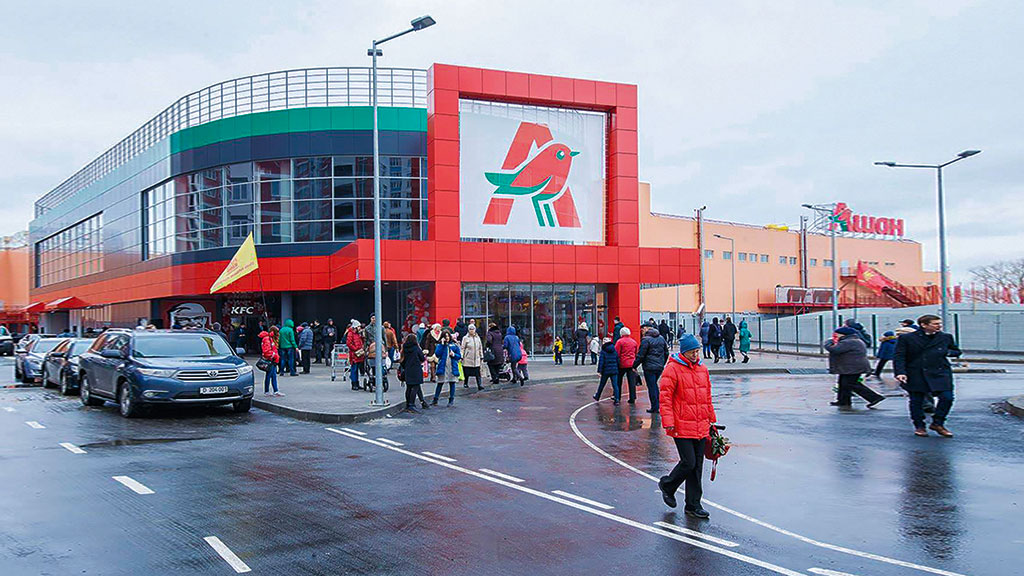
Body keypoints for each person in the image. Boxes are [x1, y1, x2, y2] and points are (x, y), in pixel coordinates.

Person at [657, 333, 716, 518]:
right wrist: (668, 421)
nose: (695, 355)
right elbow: (665, 398)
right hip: (681, 424)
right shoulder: (672, 369)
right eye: (692, 352)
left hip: (701, 424)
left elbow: (707, 397)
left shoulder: (702, 369)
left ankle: (693, 504)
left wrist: (711, 418)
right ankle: (668, 485)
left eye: (697, 351)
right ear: (683, 352)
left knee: (697, 466)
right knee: (688, 462)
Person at [893, 314, 961, 438]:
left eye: (939, 323)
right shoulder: (907, 338)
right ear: (924, 325)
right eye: (935, 324)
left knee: (947, 398)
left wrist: (947, 352)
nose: (939, 326)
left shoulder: (945, 337)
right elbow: (899, 356)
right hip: (916, 372)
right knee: (917, 401)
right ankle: (919, 426)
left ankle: (938, 423)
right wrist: (900, 372)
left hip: (940, 371)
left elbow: (956, 351)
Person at [825, 326, 885, 408]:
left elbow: (835, 349)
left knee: (851, 384)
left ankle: (874, 397)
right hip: (850, 367)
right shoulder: (853, 340)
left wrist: (828, 342)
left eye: (837, 334)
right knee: (843, 383)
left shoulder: (849, 342)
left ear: (843, 334)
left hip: (852, 367)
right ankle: (843, 401)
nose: (835, 335)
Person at [634, 326, 668, 413]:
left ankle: (655, 407)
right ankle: (658, 405)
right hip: (659, 367)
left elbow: (641, 355)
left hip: (649, 367)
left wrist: (634, 366)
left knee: (652, 386)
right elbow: (666, 352)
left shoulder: (645, 340)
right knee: (654, 385)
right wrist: (662, 363)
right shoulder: (661, 338)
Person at [432, 331, 461, 406]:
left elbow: (459, 356)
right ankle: (435, 399)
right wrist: (442, 345)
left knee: (452, 383)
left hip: (452, 367)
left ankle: (451, 400)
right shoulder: (440, 345)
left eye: (448, 336)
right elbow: (437, 354)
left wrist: (454, 354)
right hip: (443, 367)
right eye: (445, 336)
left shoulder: (454, 345)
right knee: (440, 383)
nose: (447, 338)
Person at [399, 334, 427, 412]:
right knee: (415, 387)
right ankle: (412, 404)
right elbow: (422, 358)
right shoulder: (416, 348)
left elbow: (402, 360)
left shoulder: (404, 348)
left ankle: (408, 404)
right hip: (416, 369)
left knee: (409, 387)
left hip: (408, 369)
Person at [615, 326, 639, 404]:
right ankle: (632, 397)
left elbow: (617, 353)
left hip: (622, 363)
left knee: (618, 381)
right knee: (632, 382)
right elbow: (636, 352)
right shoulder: (634, 342)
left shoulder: (620, 342)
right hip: (631, 363)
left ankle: (618, 397)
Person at [593, 337, 620, 404]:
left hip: (606, 370)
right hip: (614, 370)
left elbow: (601, 362)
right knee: (615, 385)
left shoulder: (603, 351)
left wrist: (599, 371)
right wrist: (617, 368)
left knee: (602, 384)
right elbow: (617, 360)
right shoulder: (614, 349)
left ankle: (597, 396)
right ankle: (617, 399)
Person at [260, 326, 283, 397]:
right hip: (271, 360)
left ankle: (272, 391)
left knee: (272, 375)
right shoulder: (268, 339)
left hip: (272, 360)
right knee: (270, 375)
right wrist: (274, 355)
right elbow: (267, 351)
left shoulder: (268, 338)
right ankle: (271, 391)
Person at [461, 323, 485, 390]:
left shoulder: (478, 338)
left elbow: (480, 347)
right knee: (467, 372)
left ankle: (479, 385)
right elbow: (463, 348)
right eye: (470, 329)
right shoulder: (465, 338)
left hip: (476, 358)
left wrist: (481, 355)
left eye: (473, 329)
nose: (472, 330)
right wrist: (462, 356)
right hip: (468, 358)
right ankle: (466, 383)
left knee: (478, 372)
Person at [345, 320, 365, 390]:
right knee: (354, 369)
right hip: (354, 354)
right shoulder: (350, 333)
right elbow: (349, 343)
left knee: (356, 369)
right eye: (358, 326)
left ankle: (356, 383)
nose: (360, 328)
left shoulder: (358, 334)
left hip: (359, 353)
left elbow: (362, 341)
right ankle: (354, 384)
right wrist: (356, 348)